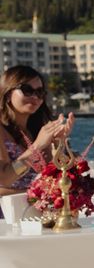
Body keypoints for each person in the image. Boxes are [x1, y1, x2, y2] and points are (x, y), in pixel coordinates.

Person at [0, 67, 74, 197]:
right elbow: (4, 178)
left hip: (34, 211)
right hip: (6, 214)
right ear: (7, 93)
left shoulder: (35, 130)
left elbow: (53, 175)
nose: (35, 97)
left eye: (40, 92)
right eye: (27, 90)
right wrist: (36, 147)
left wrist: (59, 143)